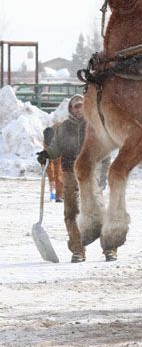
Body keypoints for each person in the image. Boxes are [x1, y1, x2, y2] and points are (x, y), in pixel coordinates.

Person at [36, 94, 116, 263]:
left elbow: (106, 153)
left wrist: (102, 176)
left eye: (81, 105)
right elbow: (56, 148)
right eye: (75, 106)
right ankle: (78, 250)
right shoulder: (64, 127)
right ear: (71, 109)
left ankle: (109, 248)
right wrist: (46, 154)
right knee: (71, 212)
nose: (78, 109)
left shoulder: (95, 125)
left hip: (92, 172)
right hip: (70, 172)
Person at [42, 126, 64, 203]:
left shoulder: (59, 140)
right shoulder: (46, 143)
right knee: (53, 174)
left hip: (63, 154)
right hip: (51, 154)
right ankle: (55, 193)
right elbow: (49, 164)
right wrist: (51, 179)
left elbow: (58, 165)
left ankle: (60, 195)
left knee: (59, 174)